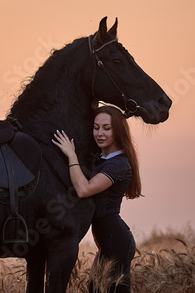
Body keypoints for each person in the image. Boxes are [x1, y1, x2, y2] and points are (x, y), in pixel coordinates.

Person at [52, 105, 141, 293]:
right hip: (106, 242)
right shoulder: (103, 160)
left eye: (107, 128)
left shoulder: (118, 164)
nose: (99, 133)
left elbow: (84, 189)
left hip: (117, 241)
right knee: (95, 289)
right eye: (96, 127)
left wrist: (71, 154)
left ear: (118, 130)